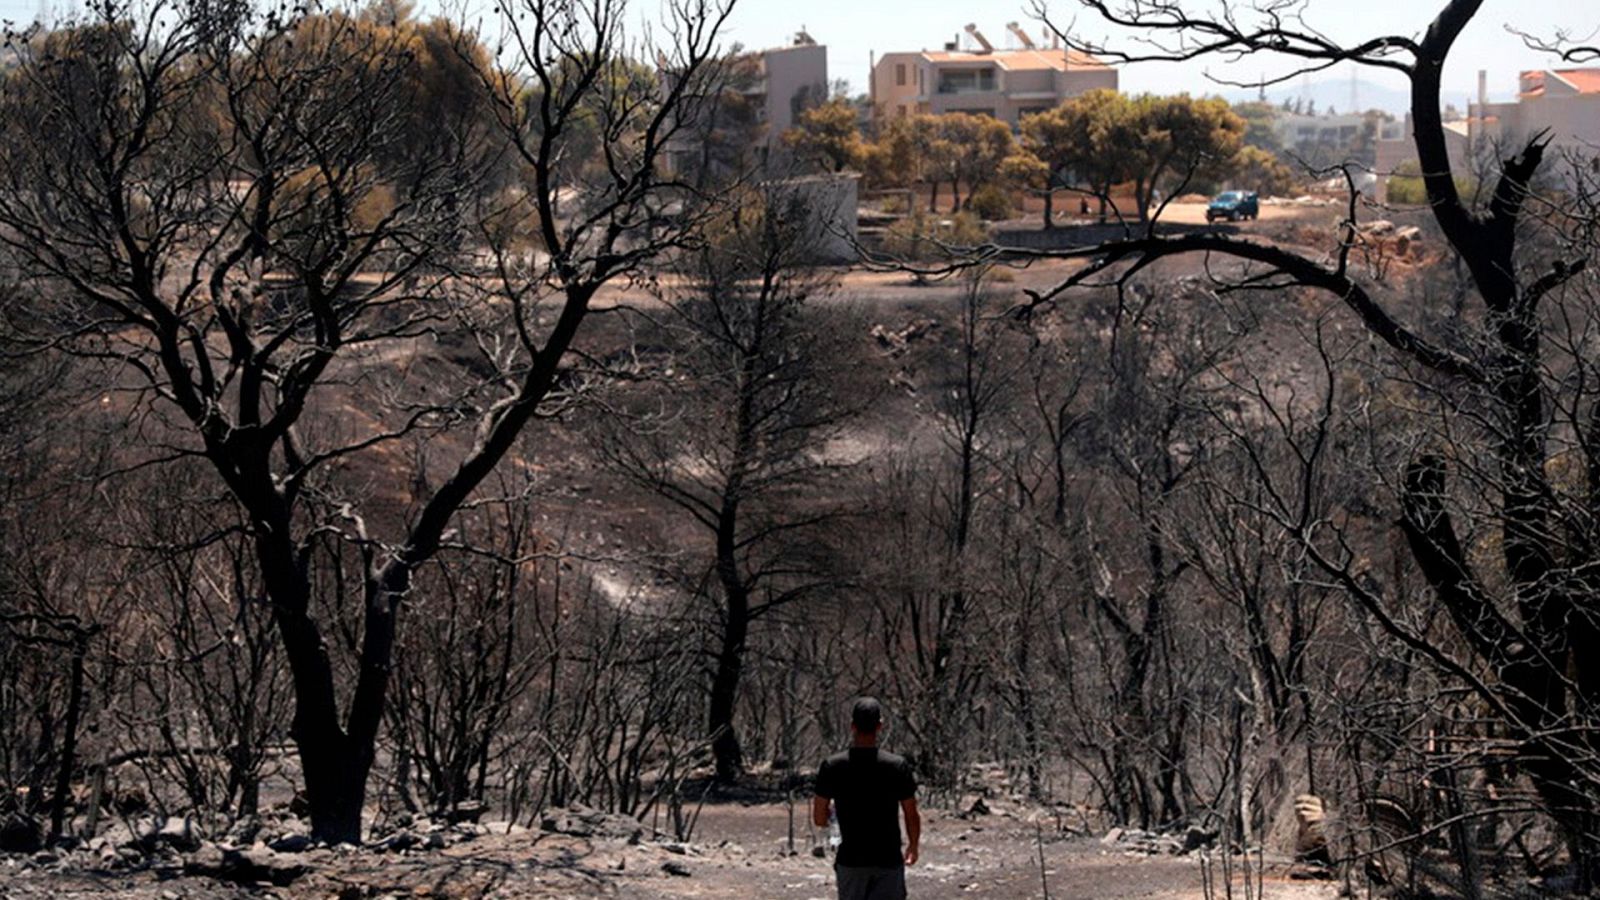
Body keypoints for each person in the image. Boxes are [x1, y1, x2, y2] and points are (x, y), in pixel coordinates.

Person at [813, 697, 920, 900]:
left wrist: (833, 817)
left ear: (852, 726)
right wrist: (913, 845)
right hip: (887, 859)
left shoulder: (832, 766)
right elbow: (911, 812)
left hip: (850, 860)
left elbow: (819, 818)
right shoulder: (897, 766)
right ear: (879, 726)